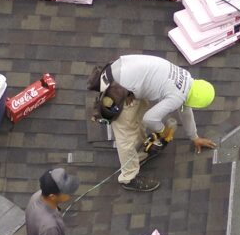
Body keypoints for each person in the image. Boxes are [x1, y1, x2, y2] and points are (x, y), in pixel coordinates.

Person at [88, 55, 217, 192]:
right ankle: (128, 177)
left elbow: (185, 110)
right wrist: (161, 130)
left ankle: (139, 151)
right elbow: (150, 119)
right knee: (126, 136)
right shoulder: (178, 96)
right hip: (117, 87)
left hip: (123, 72)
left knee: (140, 111)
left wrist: (194, 137)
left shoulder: (186, 79)